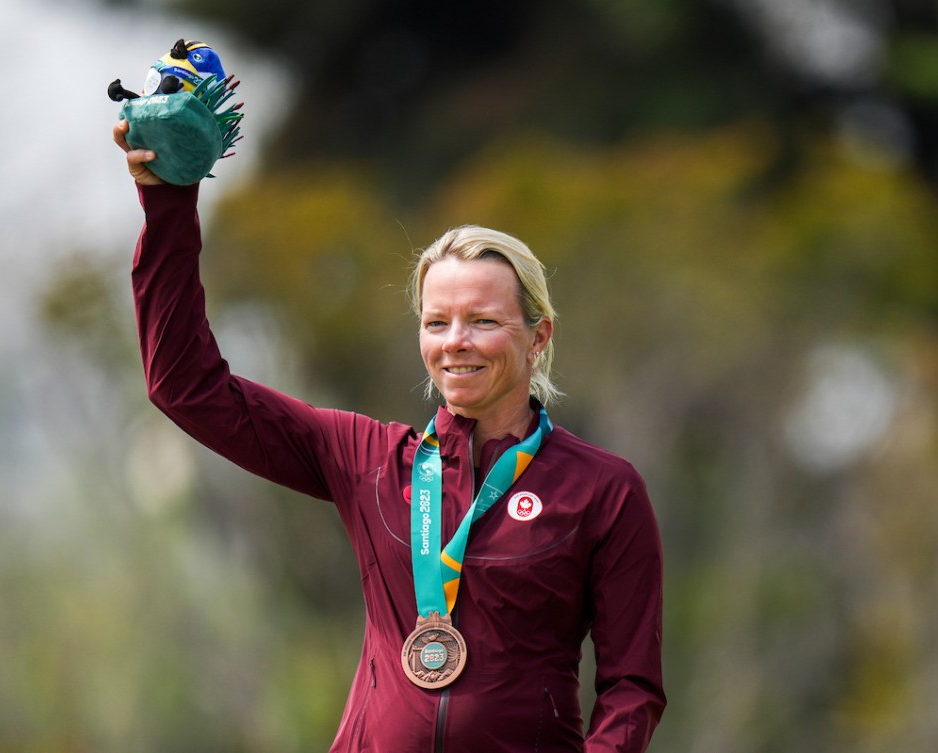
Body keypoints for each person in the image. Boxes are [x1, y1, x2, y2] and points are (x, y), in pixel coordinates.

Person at [114, 119, 666, 752]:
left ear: (538, 337)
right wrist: (168, 203)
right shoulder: (365, 459)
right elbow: (184, 384)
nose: (455, 341)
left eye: (483, 320)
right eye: (437, 322)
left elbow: (632, 689)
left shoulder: (604, 490)